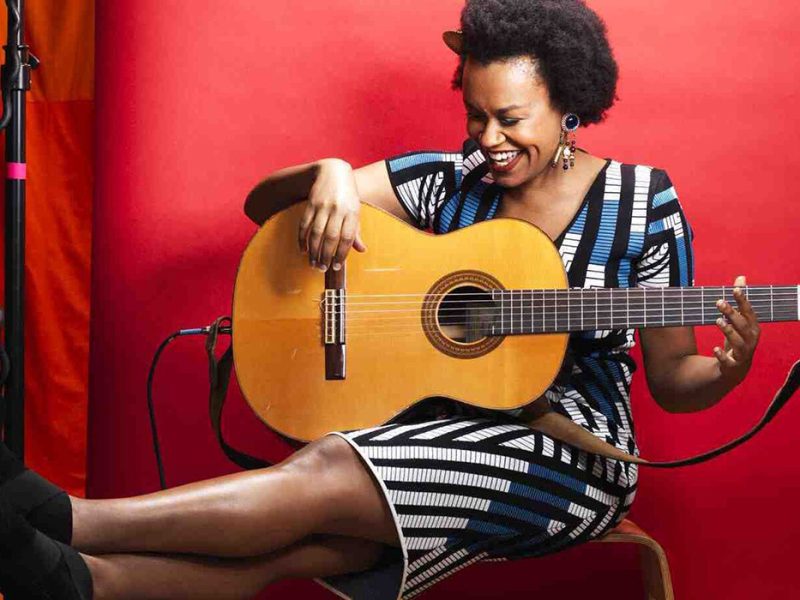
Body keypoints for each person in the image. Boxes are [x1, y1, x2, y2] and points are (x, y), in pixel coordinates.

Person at [0, 1, 762, 598]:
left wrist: (727, 368)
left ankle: (73, 519)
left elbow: (674, 382)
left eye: (511, 119)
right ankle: (80, 583)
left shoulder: (641, 201)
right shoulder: (448, 178)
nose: (488, 139)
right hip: (441, 426)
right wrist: (327, 173)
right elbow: (268, 206)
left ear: (570, 105)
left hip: (570, 456)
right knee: (305, 548)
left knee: (329, 465)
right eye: (475, 113)